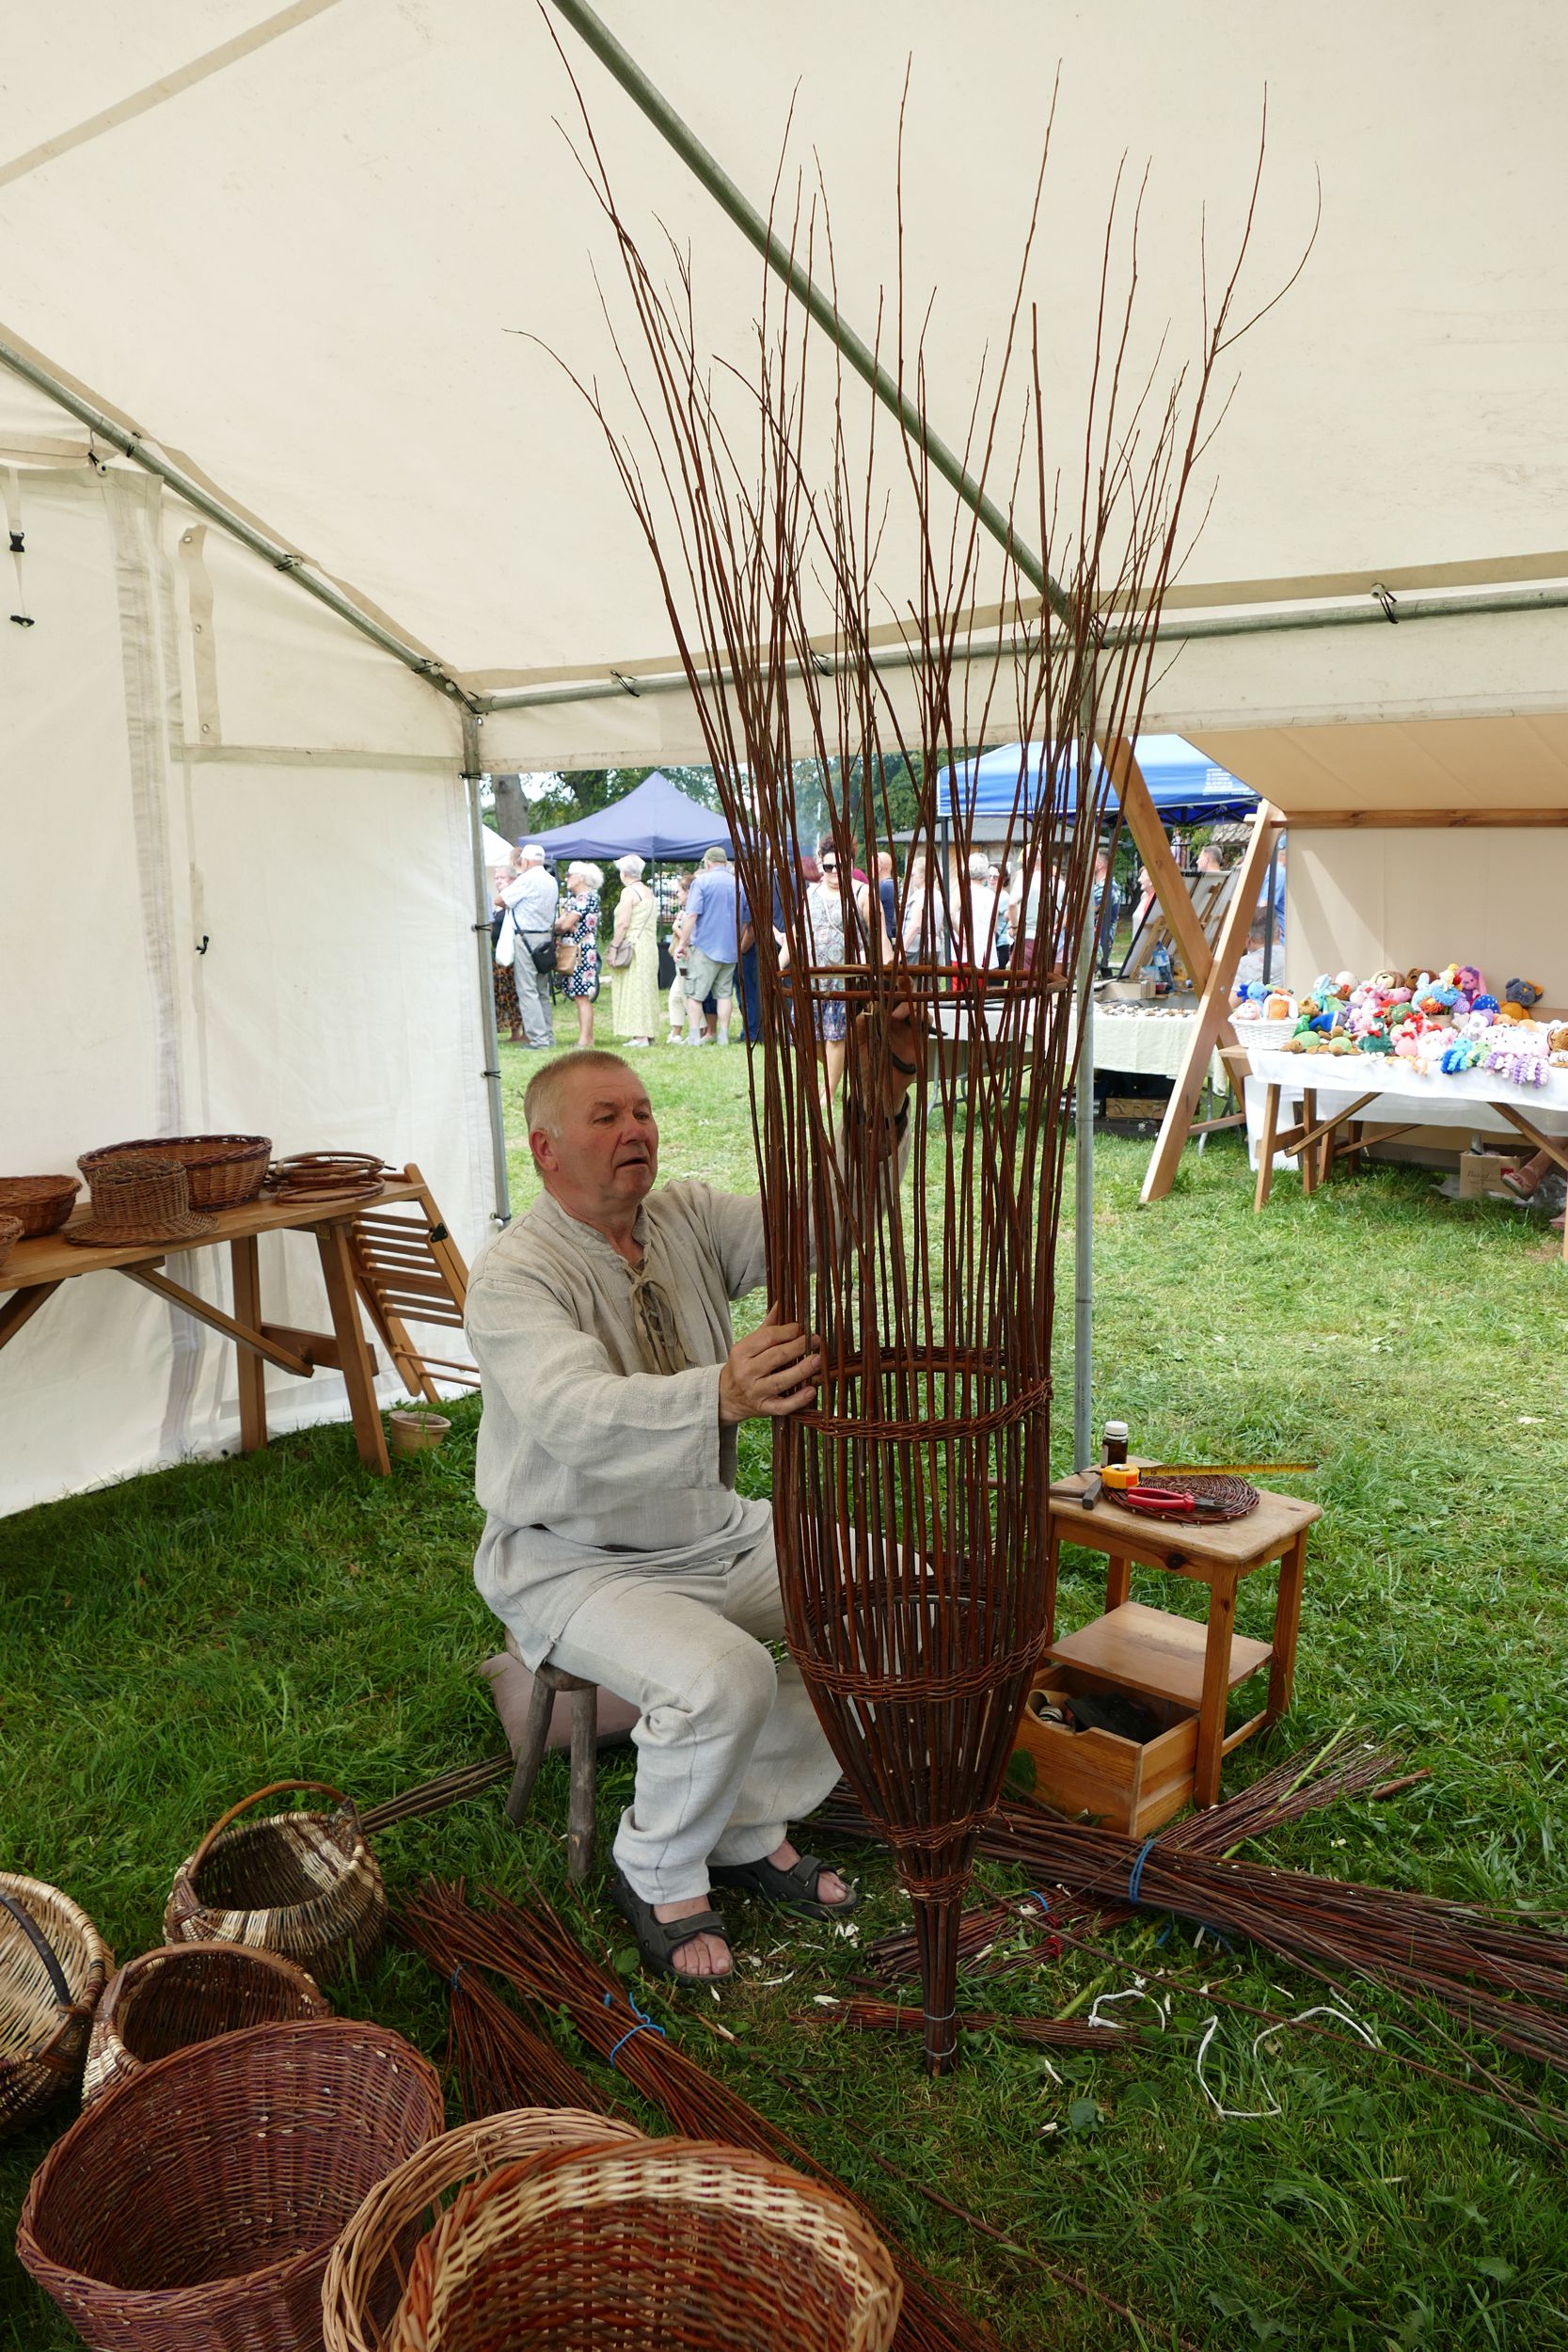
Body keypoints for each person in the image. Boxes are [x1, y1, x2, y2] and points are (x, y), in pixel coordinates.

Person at [466, 1028, 921, 1981]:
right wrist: (719, 1392)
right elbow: (569, 1413)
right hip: (570, 1558)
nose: (635, 1129)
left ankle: (745, 1818)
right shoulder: (515, 1273)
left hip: (706, 1527)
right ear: (545, 1149)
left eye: (641, 1110)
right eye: (605, 1117)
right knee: (725, 1674)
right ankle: (657, 1864)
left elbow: (821, 1225)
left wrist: (871, 1118)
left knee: (896, 1598)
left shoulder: (684, 1219)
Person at [800, 838, 891, 1101]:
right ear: (821, 865)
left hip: (845, 980)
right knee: (810, 1036)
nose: (834, 873)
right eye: (828, 867)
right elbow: (799, 932)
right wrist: (781, 962)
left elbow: (880, 935)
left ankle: (827, 1095)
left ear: (850, 864)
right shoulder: (810, 894)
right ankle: (842, 1067)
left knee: (835, 1036)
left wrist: (887, 972)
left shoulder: (863, 893)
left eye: (840, 867)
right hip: (813, 978)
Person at [673, 845, 739, 1046]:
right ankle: (723, 1037)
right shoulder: (737, 883)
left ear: (707, 863)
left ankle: (694, 1037)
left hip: (705, 947)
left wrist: (683, 944)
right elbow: (744, 919)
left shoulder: (701, 882)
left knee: (694, 995)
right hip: (730, 948)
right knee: (724, 994)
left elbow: (692, 915)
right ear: (725, 862)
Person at [499, 845, 560, 1050]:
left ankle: (538, 1039)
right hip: (545, 937)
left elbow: (501, 900)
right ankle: (548, 1036)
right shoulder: (551, 879)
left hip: (526, 937)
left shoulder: (527, 879)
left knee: (527, 990)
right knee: (542, 989)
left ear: (524, 861)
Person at [610, 853, 659, 1048]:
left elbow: (623, 923)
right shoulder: (649, 892)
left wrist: (614, 947)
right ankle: (648, 1031)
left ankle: (640, 1036)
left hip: (633, 945)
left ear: (624, 873)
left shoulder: (629, 893)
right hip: (649, 946)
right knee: (646, 990)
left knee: (634, 990)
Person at [554, 861, 603, 1050]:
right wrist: (564, 923)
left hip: (580, 952)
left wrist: (564, 924)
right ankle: (585, 1037)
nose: (567, 878)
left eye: (569, 875)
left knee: (582, 995)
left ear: (580, 877)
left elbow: (564, 925)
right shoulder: (579, 900)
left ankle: (585, 1039)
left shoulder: (584, 899)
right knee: (578, 995)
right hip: (577, 950)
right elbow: (562, 923)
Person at [491, 855, 524, 1044]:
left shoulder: (513, 900)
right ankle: (512, 1030)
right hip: (498, 953)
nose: (498, 881)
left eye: (502, 878)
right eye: (496, 878)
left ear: (512, 880)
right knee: (504, 994)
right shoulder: (499, 903)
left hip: (512, 953)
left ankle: (518, 1031)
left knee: (514, 993)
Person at [963, 850, 1001, 971]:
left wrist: (963, 935)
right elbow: (994, 927)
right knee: (980, 987)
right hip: (983, 949)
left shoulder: (961, 892)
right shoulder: (990, 896)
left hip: (963, 949)